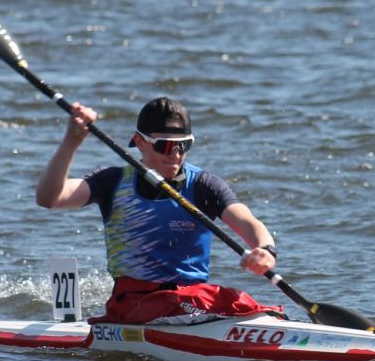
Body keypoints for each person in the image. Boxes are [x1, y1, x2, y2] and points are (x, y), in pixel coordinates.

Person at [35, 96, 283, 324]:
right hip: (133, 303)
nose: (175, 154)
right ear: (140, 143)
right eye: (165, 146)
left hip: (192, 300)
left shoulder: (203, 185)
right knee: (222, 304)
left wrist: (265, 251)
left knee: (237, 301)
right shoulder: (112, 181)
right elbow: (50, 198)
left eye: (183, 145)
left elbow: (248, 221)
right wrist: (72, 141)